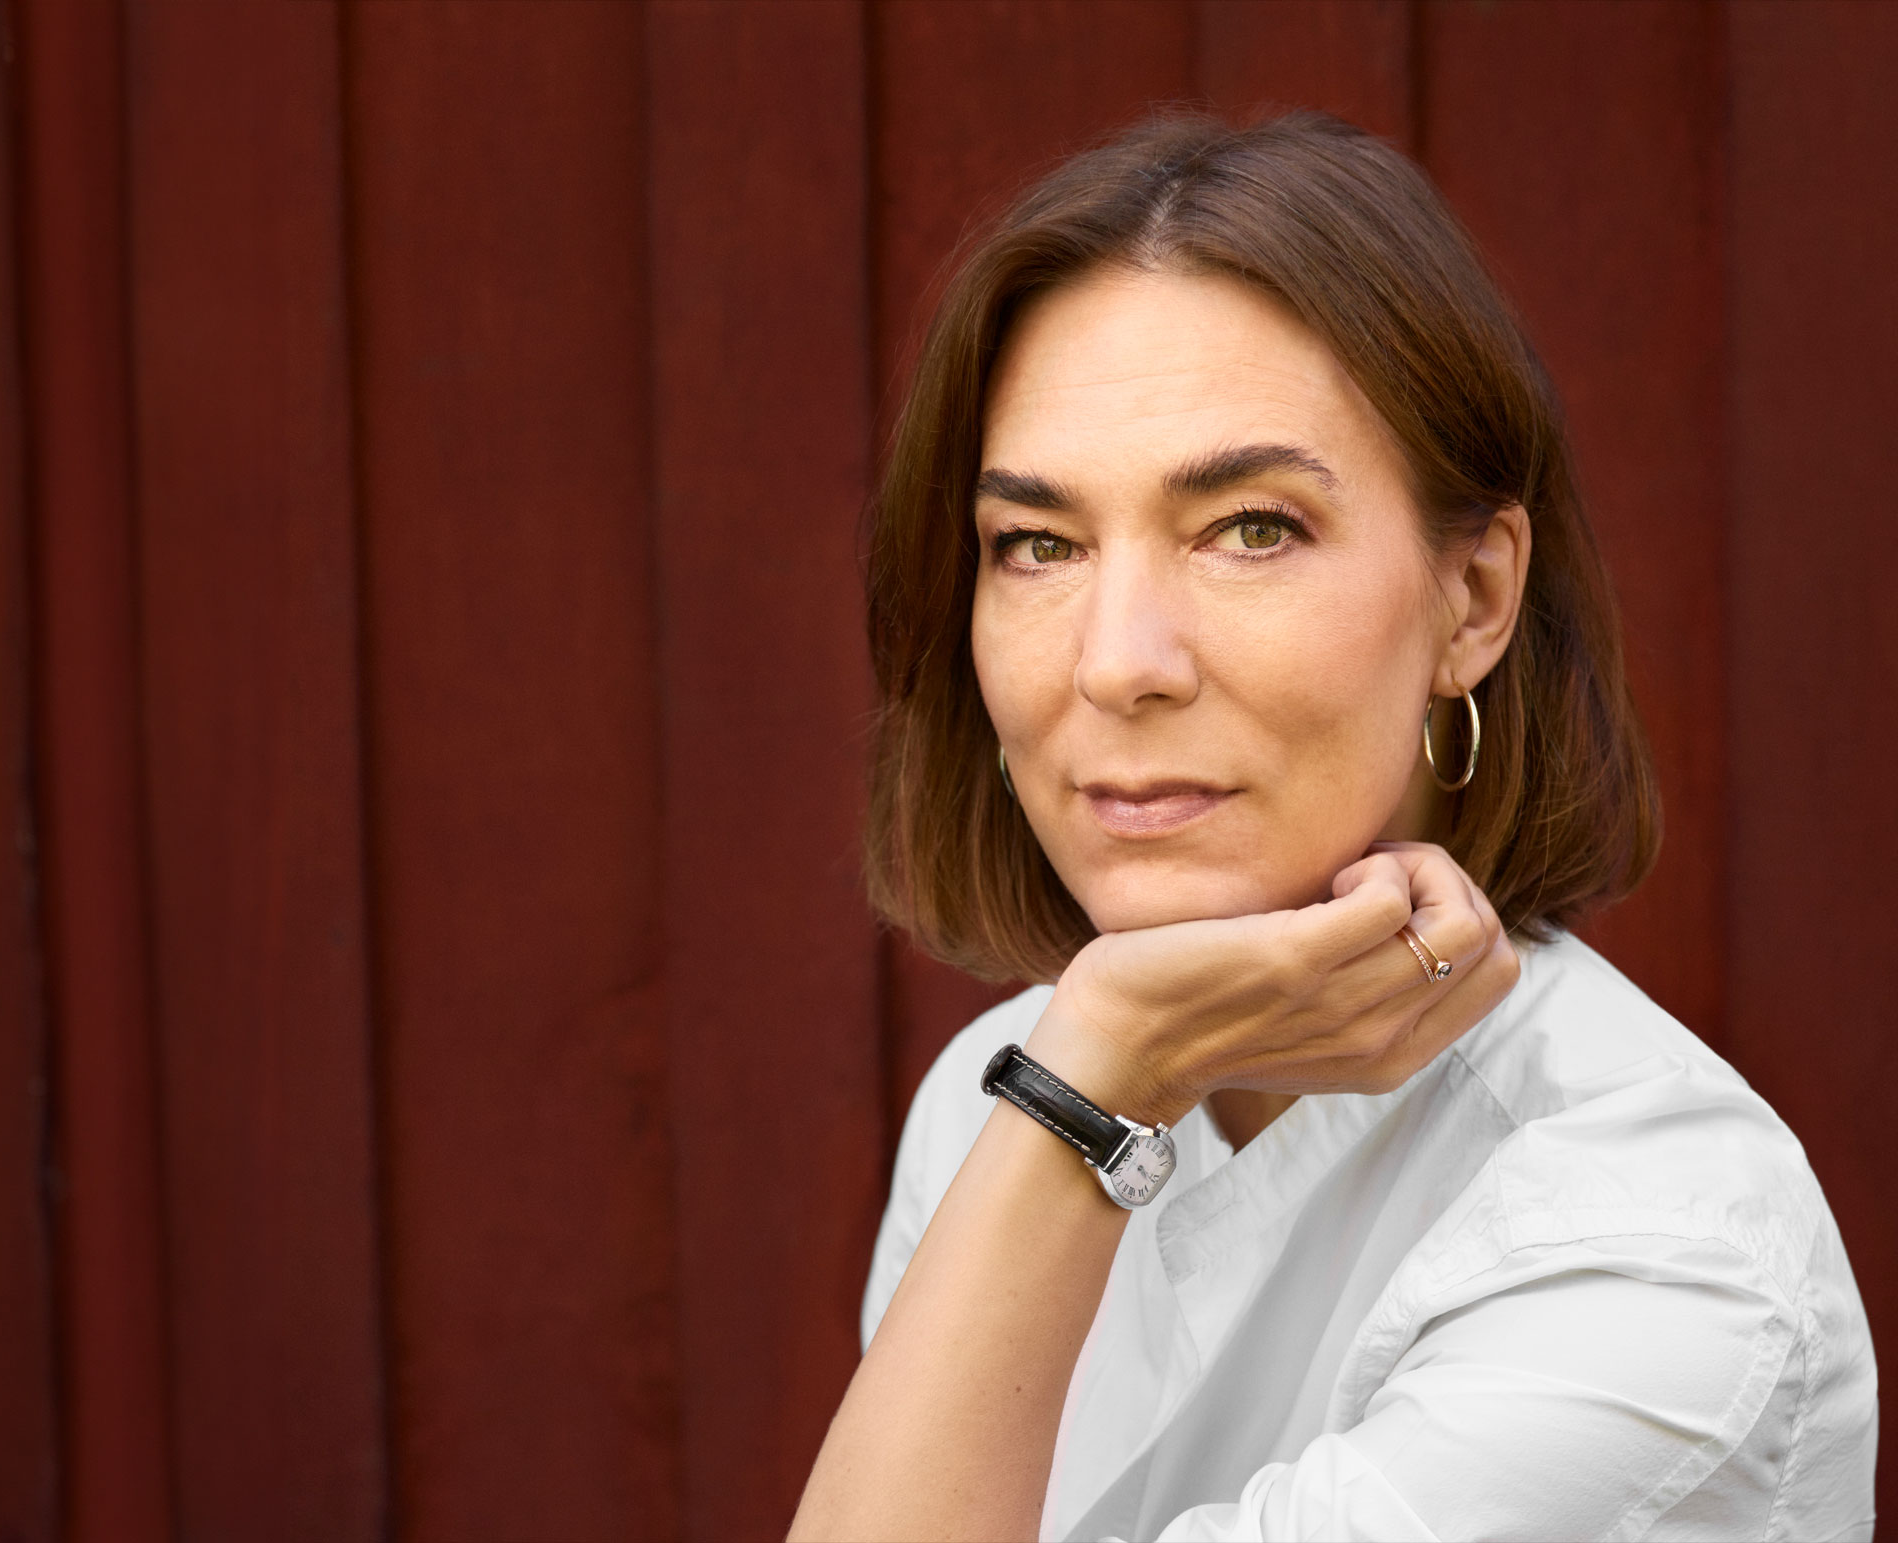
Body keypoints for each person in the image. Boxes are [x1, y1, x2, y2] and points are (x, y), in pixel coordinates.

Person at [790, 112, 1875, 1542]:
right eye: (1038, 545)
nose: (1117, 663)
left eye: (1250, 528)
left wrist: (1088, 1089)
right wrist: (1093, 1076)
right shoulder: (1008, 1097)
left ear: (1473, 600)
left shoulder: (1654, 1251)